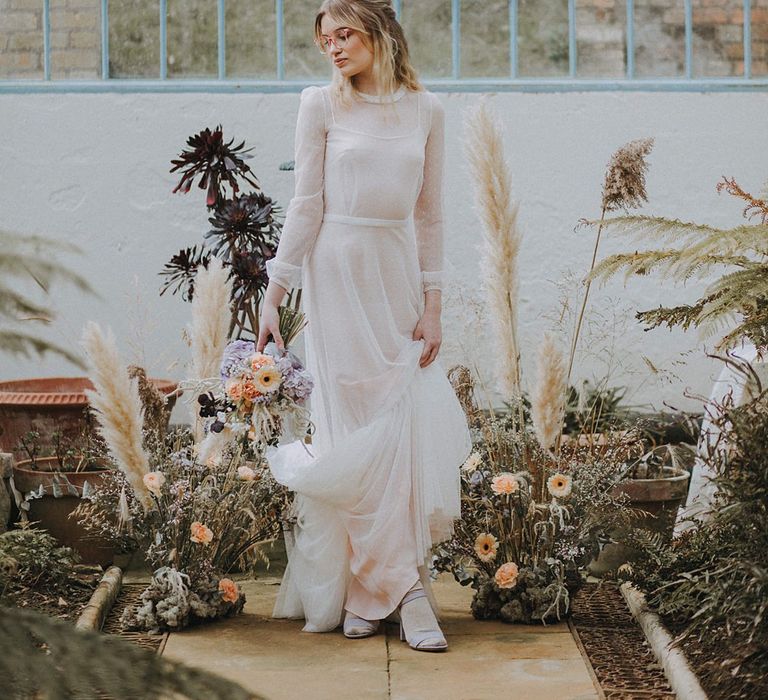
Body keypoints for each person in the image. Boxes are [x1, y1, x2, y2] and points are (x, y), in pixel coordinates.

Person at [257, 0, 471, 652]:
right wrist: (276, 289)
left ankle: (376, 590)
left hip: (396, 275)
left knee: (397, 430)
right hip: (335, 279)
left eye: (344, 34)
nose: (333, 49)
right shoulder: (319, 105)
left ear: (379, 33)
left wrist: (434, 305)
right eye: (325, 39)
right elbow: (307, 202)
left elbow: (431, 216)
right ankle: (399, 593)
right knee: (351, 430)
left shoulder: (427, 110)